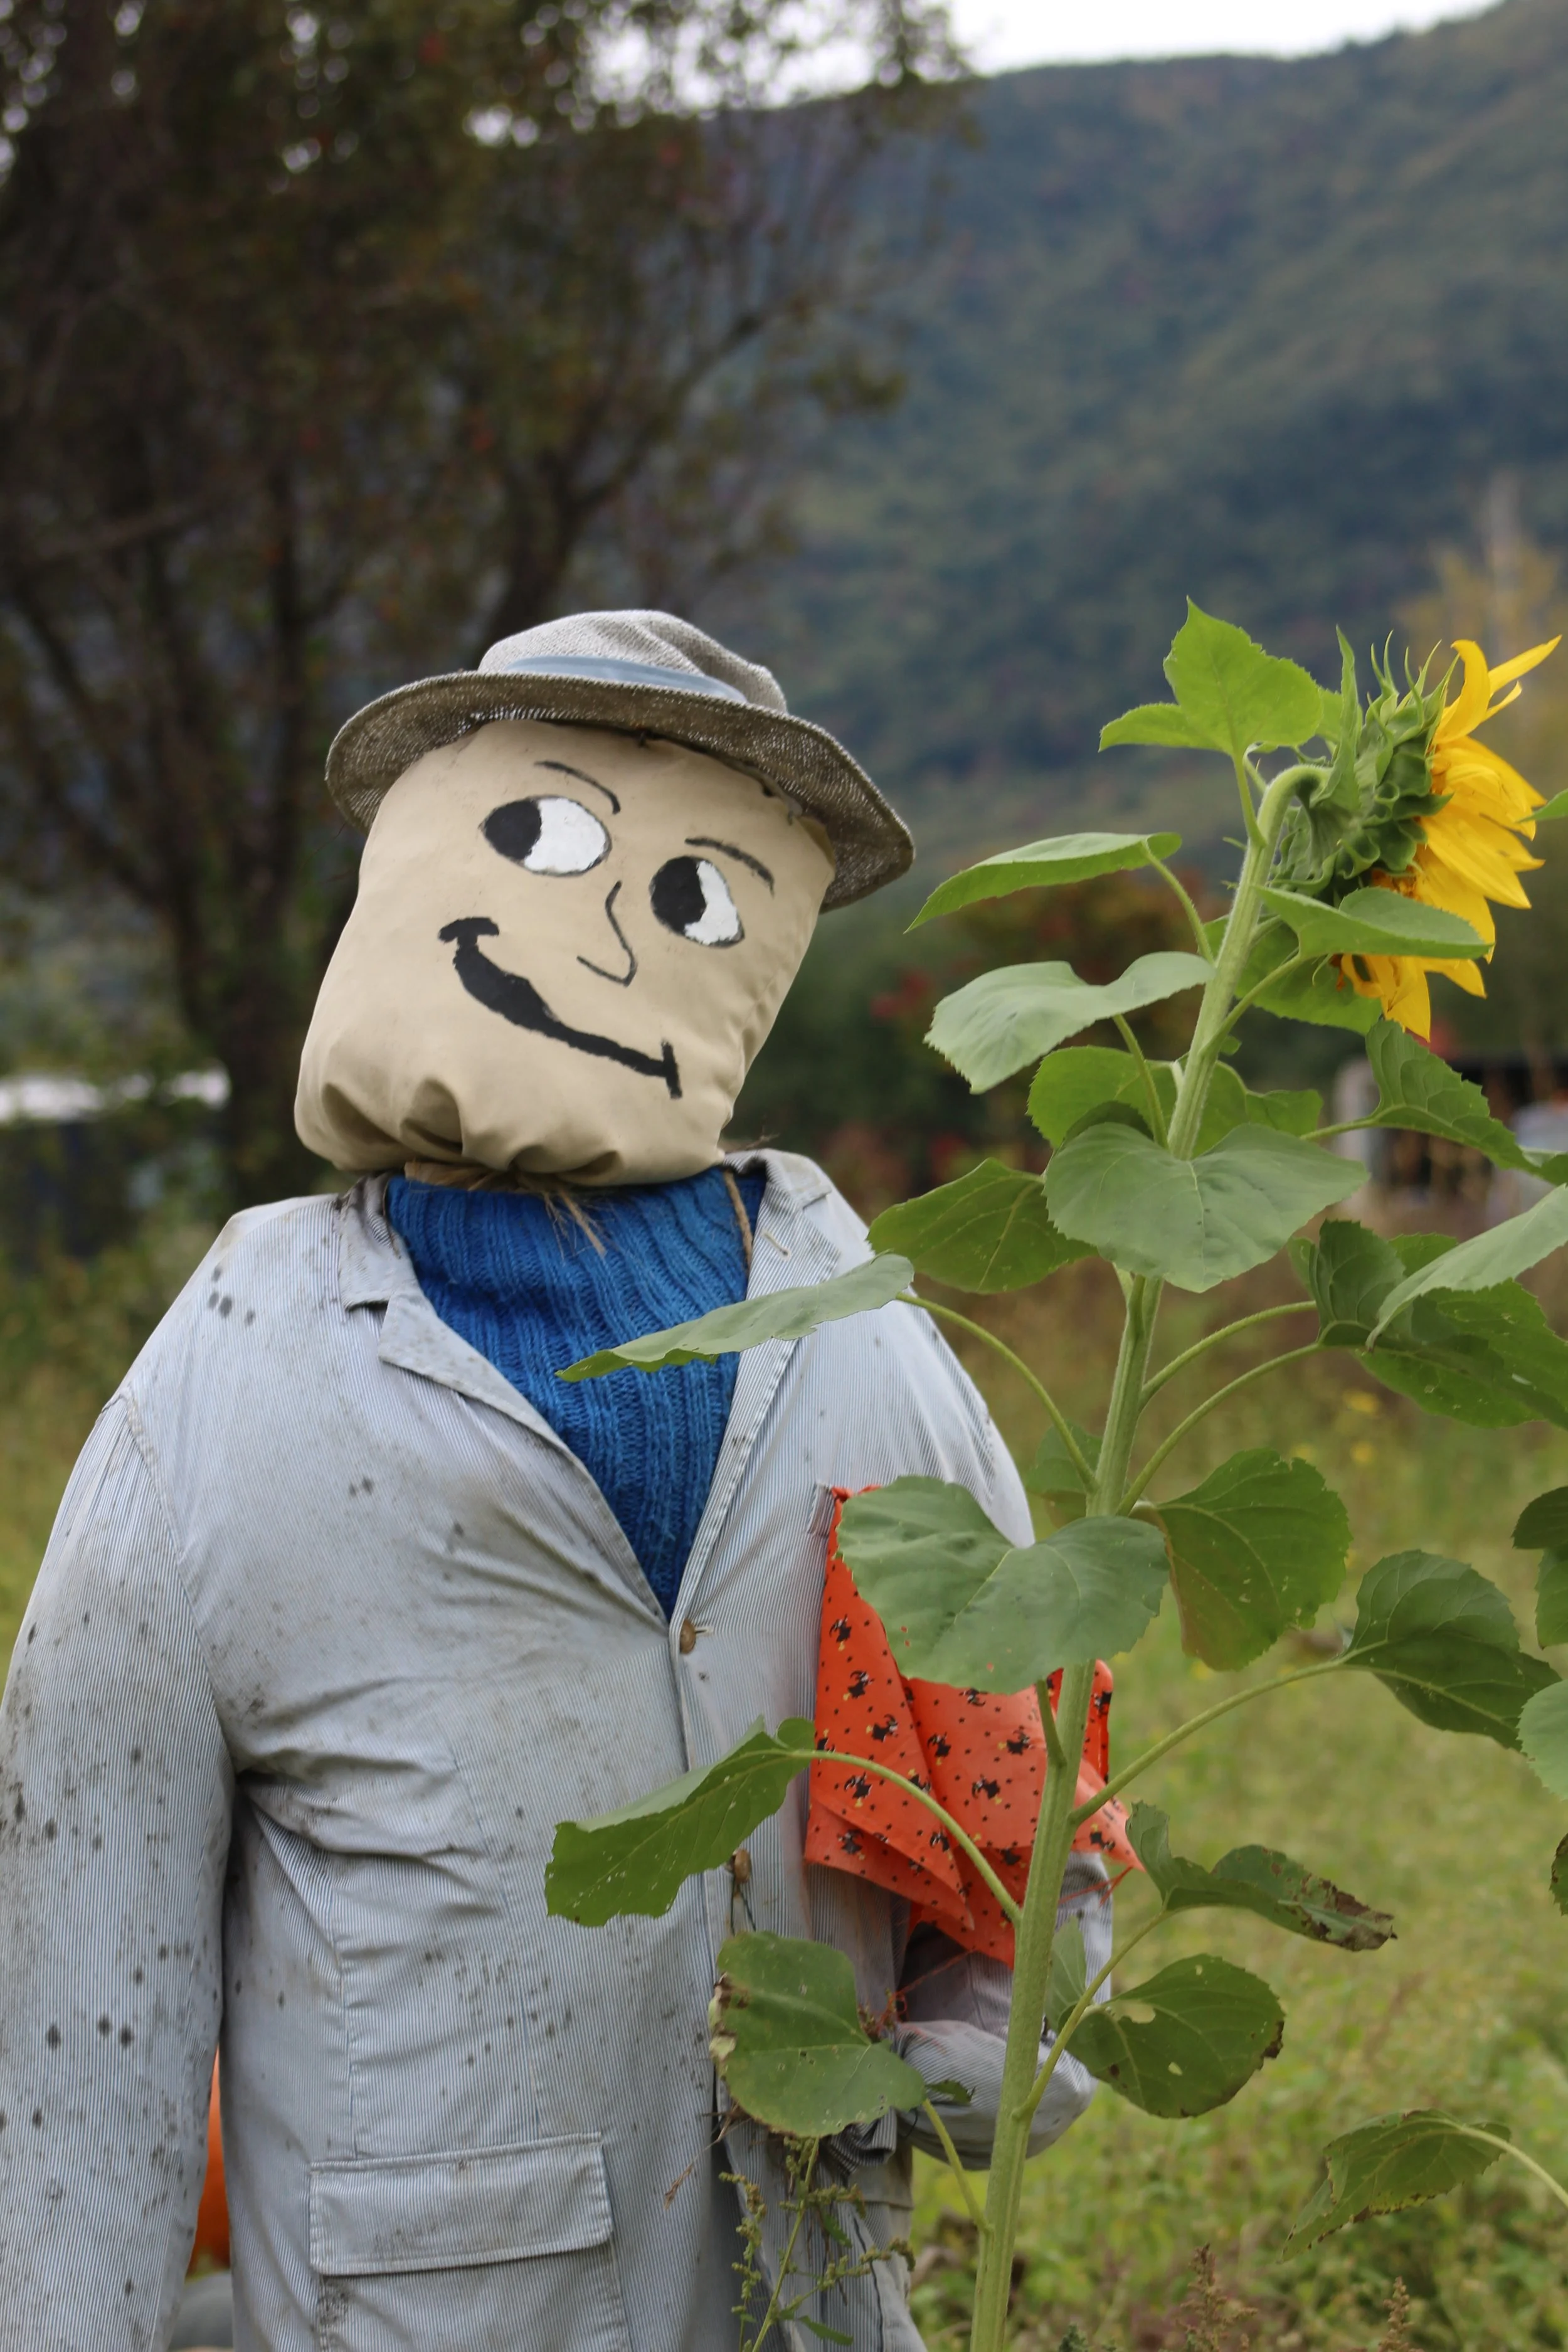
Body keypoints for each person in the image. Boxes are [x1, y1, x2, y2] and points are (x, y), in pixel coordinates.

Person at [0, 612, 1109, 2350]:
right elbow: (85, 2001)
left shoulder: (867, 1350)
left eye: (692, 896)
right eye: (538, 835)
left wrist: (989, 2038)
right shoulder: (238, 1376)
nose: (599, 934)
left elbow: (1023, 1809)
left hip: (811, 2289)